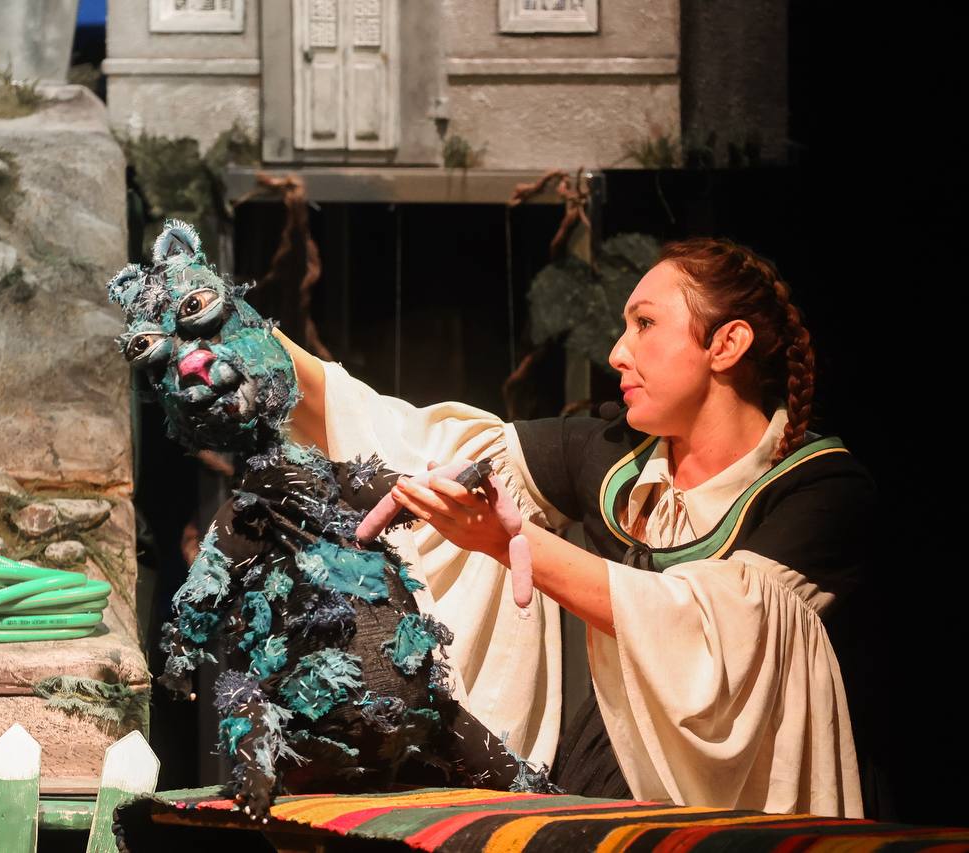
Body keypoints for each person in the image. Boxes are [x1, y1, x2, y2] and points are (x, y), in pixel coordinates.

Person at [274, 237, 877, 818]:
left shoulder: (820, 489)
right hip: (608, 767)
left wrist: (510, 543)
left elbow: (713, 632)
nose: (617, 352)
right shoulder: (613, 454)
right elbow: (416, 441)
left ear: (727, 344)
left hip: (744, 803)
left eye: (645, 324)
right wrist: (244, 334)